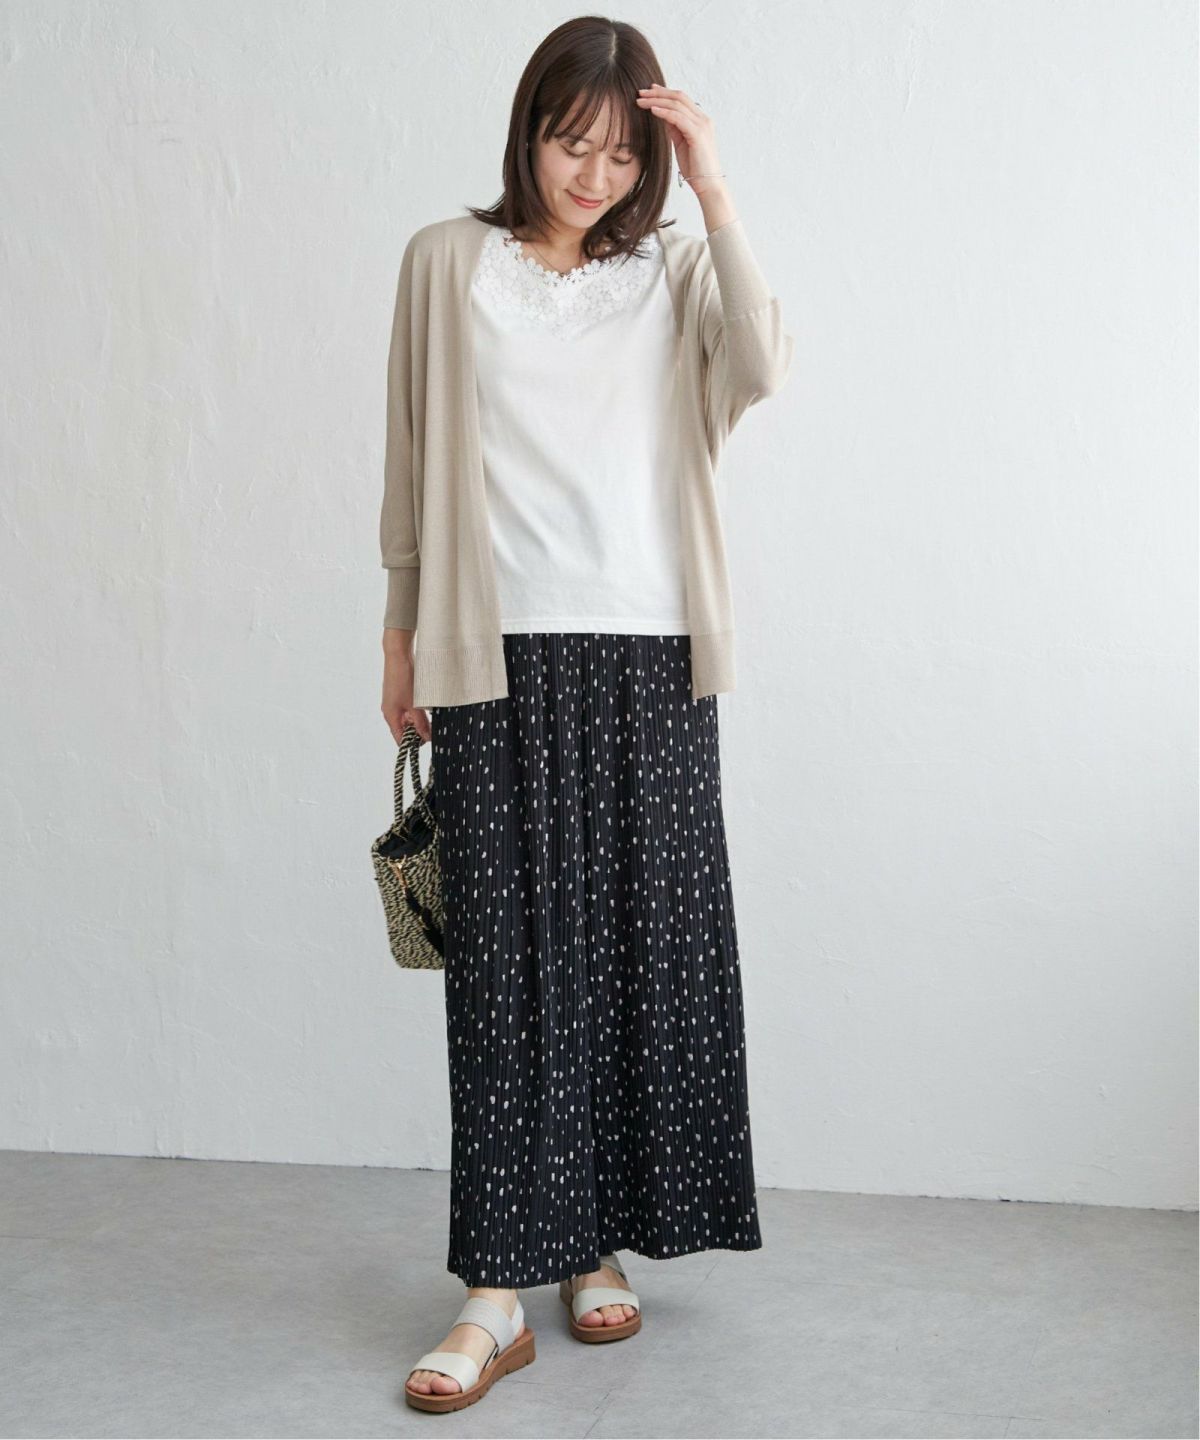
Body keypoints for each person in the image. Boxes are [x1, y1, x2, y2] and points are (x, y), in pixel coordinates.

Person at [379, 16, 793, 1415]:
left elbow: (763, 362)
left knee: (636, 957)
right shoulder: (446, 261)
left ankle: (588, 1243)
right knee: (507, 971)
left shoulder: (674, 268)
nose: (594, 175)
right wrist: (398, 632)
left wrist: (712, 184)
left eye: (623, 155)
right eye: (573, 143)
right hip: (491, 653)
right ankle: (494, 1293)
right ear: (529, 131)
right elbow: (411, 461)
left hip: (651, 654)